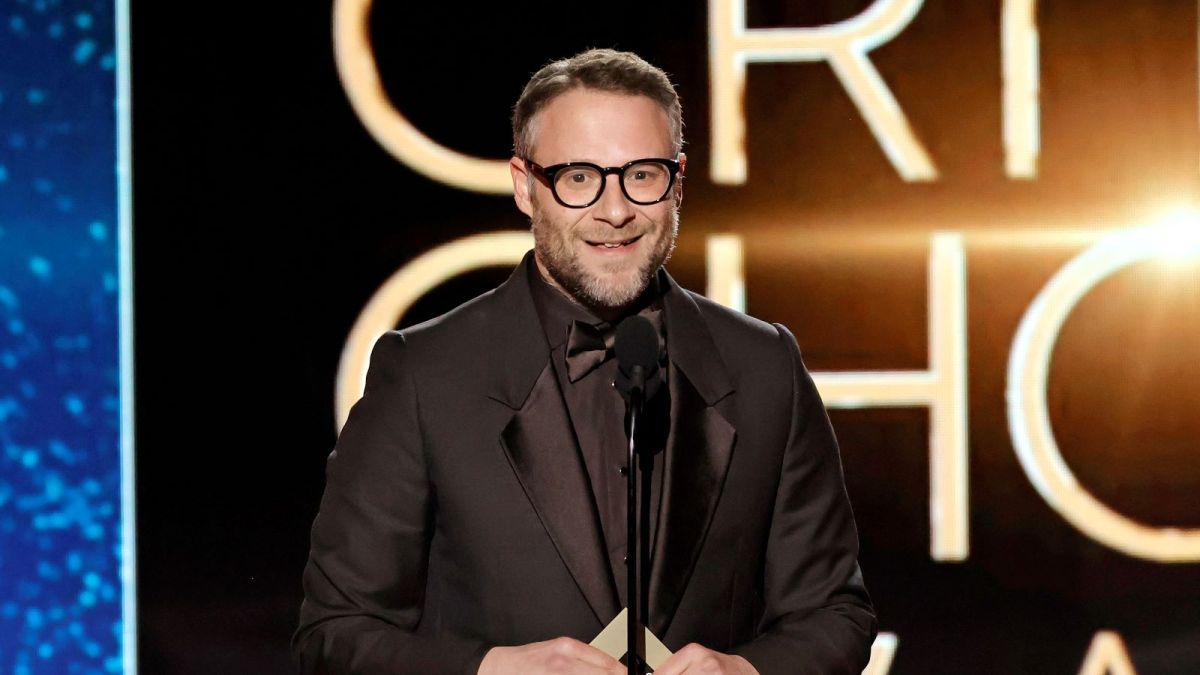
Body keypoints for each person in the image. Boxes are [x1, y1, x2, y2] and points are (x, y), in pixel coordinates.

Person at [293, 48, 876, 675]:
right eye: (578, 177)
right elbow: (334, 636)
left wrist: (749, 672)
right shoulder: (425, 376)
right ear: (525, 185)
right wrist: (490, 670)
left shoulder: (765, 368)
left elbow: (834, 615)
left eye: (642, 174)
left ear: (677, 180)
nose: (615, 210)